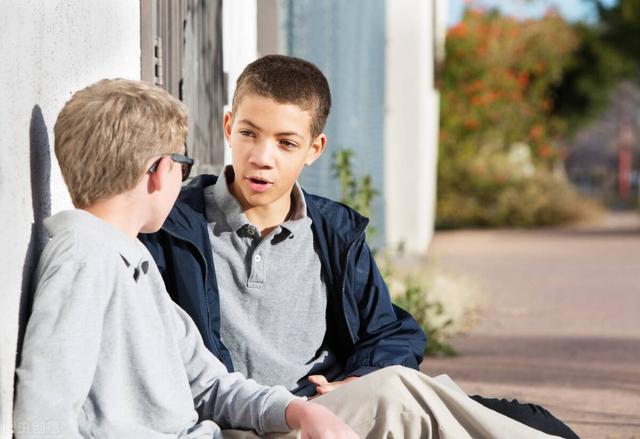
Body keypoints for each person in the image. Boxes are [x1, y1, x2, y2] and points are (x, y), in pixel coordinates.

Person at [140, 55, 579, 439]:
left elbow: (391, 332)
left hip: (325, 412)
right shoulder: (174, 224)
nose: (262, 157)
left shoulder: (333, 231)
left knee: (520, 416)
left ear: (314, 149)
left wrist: (357, 380)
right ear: (228, 127)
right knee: (403, 396)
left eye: (286, 143)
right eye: (249, 133)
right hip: (236, 421)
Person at [13, 78, 357, 439]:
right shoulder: (84, 259)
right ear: (161, 170)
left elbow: (208, 384)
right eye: (184, 165)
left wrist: (296, 410)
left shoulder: (133, 261)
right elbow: (43, 415)